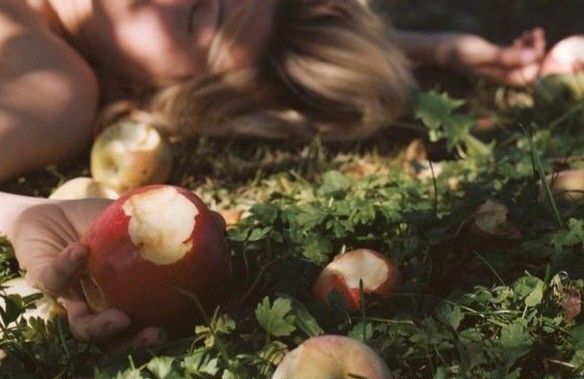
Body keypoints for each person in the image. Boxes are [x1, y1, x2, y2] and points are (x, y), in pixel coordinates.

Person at [0, 0, 548, 345]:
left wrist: (27, 213)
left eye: (196, 17)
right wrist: (440, 48)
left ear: (159, 89)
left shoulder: (53, 92)